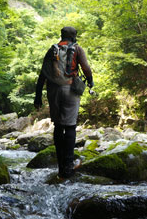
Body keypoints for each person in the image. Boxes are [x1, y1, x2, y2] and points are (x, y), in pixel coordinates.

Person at [34, 26, 93, 179]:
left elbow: (43, 74)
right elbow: (86, 68)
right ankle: (69, 165)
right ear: (74, 36)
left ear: (61, 36)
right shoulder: (77, 49)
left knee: (59, 126)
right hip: (70, 89)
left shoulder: (52, 50)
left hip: (53, 90)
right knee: (71, 125)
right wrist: (91, 82)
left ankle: (61, 167)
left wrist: (38, 96)